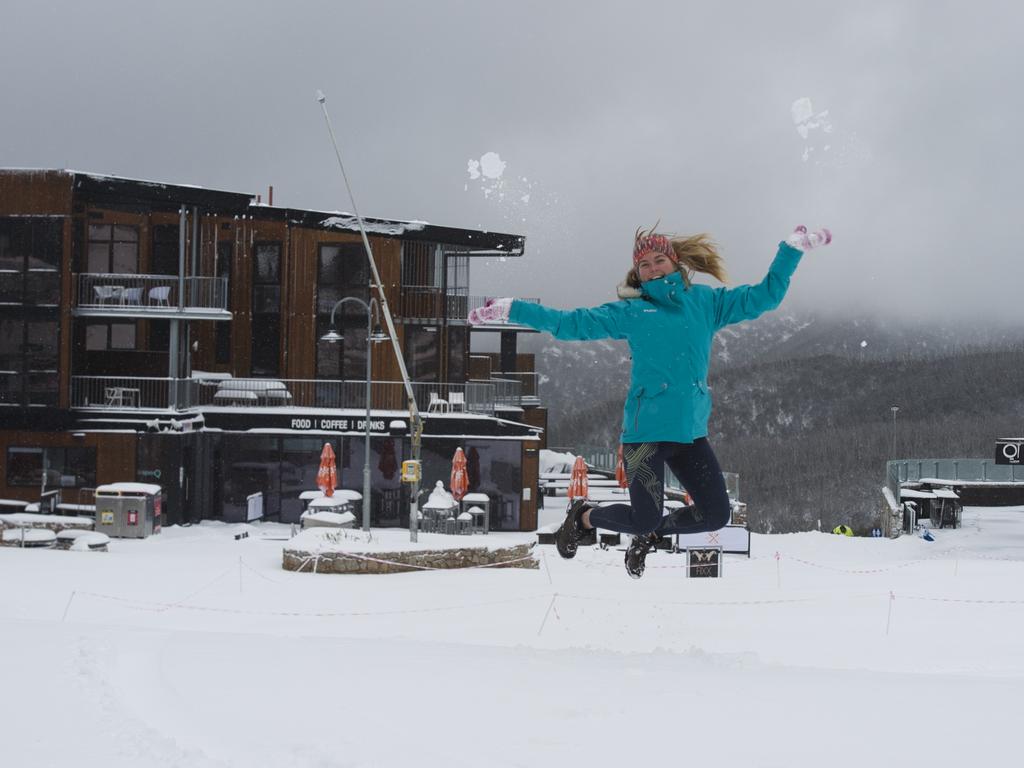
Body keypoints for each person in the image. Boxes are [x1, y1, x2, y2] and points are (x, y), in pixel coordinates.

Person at [468, 225, 832, 578]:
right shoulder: (633, 312)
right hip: (644, 437)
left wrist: (790, 252)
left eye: (659, 259)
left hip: (690, 436)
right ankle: (583, 516)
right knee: (643, 516)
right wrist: (513, 309)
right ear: (638, 275)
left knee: (716, 515)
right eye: (645, 265)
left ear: (675, 263)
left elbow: (764, 297)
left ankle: (654, 534)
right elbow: (570, 324)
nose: (653, 267)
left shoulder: (705, 303)